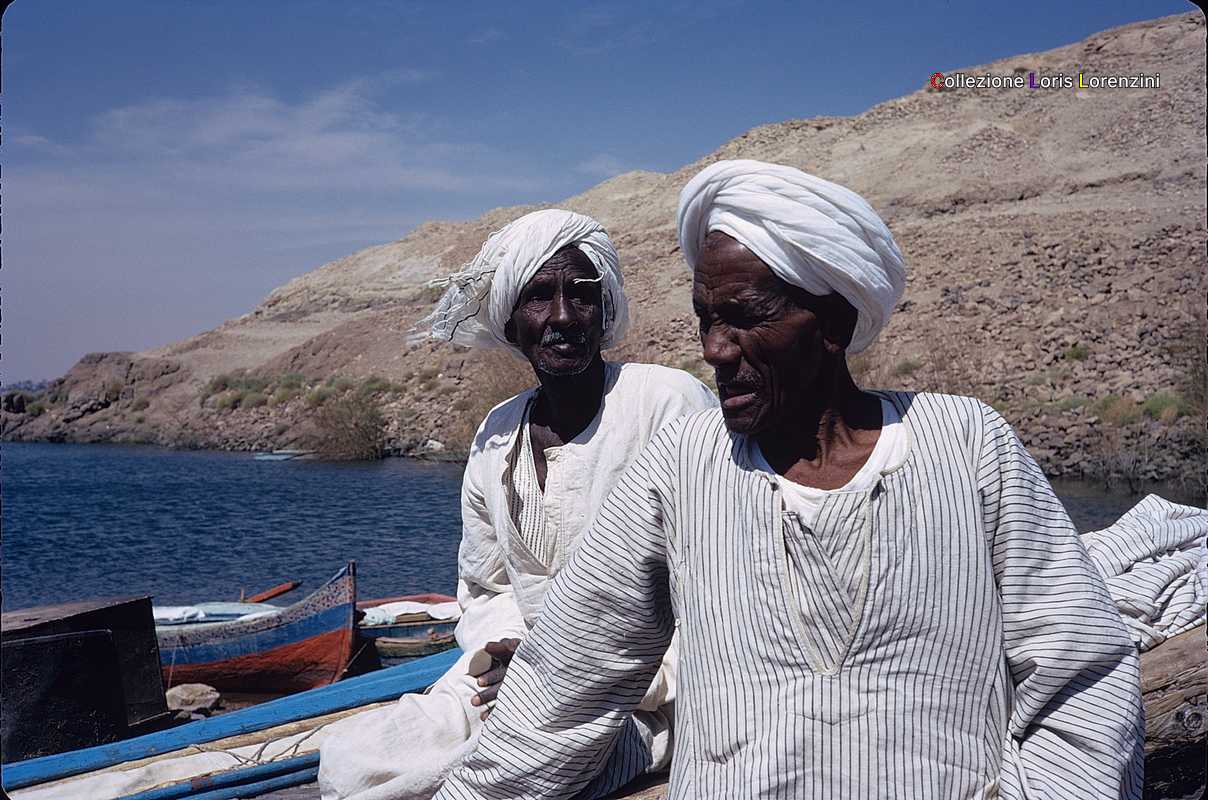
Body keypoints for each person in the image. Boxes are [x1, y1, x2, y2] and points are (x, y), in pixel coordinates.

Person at [434, 161, 1145, 799]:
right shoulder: (683, 464)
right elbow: (566, 683)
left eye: (746, 319)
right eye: (706, 320)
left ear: (832, 320)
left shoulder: (967, 445)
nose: (715, 350)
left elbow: (1082, 679)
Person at [317, 208, 717, 800]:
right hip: (518, 674)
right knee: (351, 761)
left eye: (581, 295)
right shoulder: (496, 433)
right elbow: (486, 588)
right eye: (538, 297)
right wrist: (515, 653)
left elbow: (716, 586)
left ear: (604, 309)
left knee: (513, 773)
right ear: (511, 320)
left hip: (646, 690)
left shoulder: (666, 403)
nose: (562, 316)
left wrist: (579, 673)